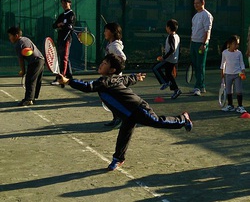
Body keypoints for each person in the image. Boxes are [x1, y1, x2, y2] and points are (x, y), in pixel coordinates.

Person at [58, 53, 193, 171]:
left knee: (155, 121)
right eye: (102, 62)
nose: (101, 64)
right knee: (123, 135)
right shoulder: (112, 78)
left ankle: (182, 118)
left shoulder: (106, 81)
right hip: (127, 115)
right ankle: (118, 158)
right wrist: (136, 77)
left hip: (137, 108)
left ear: (112, 70)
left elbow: (88, 87)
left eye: (104, 63)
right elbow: (126, 79)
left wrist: (69, 81)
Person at [8, 26, 45, 106]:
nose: (9, 38)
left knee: (30, 80)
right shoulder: (25, 39)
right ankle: (33, 98)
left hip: (35, 61)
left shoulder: (18, 44)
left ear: (16, 35)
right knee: (36, 80)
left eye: (10, 36)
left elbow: (21, 60)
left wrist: (23, 71)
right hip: (41, 60)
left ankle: (28, 99)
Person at [103, 22, 126, 128]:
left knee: (114, 99)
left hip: (114, 78)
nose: (104, 33)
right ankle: (116, 118)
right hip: (110, 77)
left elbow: (122, 57)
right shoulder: (111, 44)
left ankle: (119, 118)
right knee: (110, 98)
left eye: (106, 30)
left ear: (112, 32)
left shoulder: (115, 46)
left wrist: (114, 69)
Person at [152, 19, 181, 99]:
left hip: (169, 59)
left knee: (155, 68)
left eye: (166, 26)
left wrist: (163, 57)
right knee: (168, 74)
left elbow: (172, 49)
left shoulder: (171, 36)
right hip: (174, 59)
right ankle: (176, 90)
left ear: (168, 27)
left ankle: (165, 82)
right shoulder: (177, 36)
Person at [190, 0, 213, 96]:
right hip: (194, 43)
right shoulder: (195, 16)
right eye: (194, 3)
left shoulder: (207, 15)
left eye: (197, 3)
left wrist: (203, 44)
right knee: (195, 65)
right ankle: (201, 86)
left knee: (200, 65)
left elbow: (207, 31)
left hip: (201, 44)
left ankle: (198, 87)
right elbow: (193, 31)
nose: (195, 5)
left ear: (203, 3)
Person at [51, 0, 76, 85]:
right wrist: (59, 24)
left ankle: (60, 78)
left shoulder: (71, 14)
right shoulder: (62, 15)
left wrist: (62, 25)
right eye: (62, 3)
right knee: (63, 58)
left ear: (69, 3)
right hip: (60, 39)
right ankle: (69, 76)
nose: (64, 5)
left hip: (67, 39)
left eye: (65, 3)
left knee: (64, 58)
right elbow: (54, 25)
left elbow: (69, 26)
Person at [220, 35, 247, 113]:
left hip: (238, 74)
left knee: (239, 91)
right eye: (235, 44)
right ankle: (230, 105)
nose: (237, 45)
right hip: (228, 74)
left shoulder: (239, 53)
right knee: (229, 91)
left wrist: (243, 72)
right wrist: (222, 73)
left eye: (237, 44)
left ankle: (240, 106)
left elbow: (241, 63)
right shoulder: (225, 53)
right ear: (229, 44)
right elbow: (223, 64)